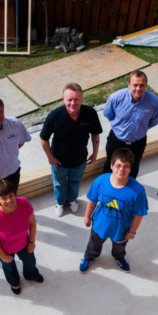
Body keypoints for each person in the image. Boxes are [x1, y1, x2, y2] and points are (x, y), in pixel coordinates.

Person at [79, 148, 148, 274]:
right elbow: (92, 200)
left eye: (126, 166)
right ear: (111, 166)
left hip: (122, 230)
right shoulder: (100, 181)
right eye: (118, 165)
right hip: (99, 225)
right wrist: (87, 216)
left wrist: (132, 232)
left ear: (131, 168)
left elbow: (139, 214)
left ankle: (119, 257)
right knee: (93, 245)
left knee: (119, 248)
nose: (121, 169)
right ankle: (88, 258)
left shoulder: (138, 190)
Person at [40, 82, 102, 217]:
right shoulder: (54, 116)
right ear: (63, 99)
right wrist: (50, 158)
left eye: (76, 99)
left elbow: (95, 134)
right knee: (59, 184)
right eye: (69, 100)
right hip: (59, 161)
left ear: (81, 99)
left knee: (75, 182)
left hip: (80, 160)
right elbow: (43, 139)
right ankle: (60, 202)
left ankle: (72, 200)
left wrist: (95, 153)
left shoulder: (90, 113)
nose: (73, 103)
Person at [0, 180, 43, 295]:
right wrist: (3, 256)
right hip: (5, 250)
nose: (9, 200)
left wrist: (32, 241)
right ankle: (14, 283)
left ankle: (31, 274)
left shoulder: (24, 203)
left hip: (24, 243)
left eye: (11, 195)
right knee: (9, 268)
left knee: (30, 261)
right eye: (3, 198)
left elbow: (32, 224)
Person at [103, 70, 158, 178]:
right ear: (129, 84)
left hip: (137, 143)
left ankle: (127, 192)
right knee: (110, 166)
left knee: (133, 169)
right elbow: (107, 113)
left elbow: (154, 121)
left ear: (146, 85)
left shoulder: (154, 102)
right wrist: (118, 126)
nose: (138, 89)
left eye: (142, 85)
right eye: (135, 85)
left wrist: (141, 128)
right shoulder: (116, 98)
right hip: (116, 140)